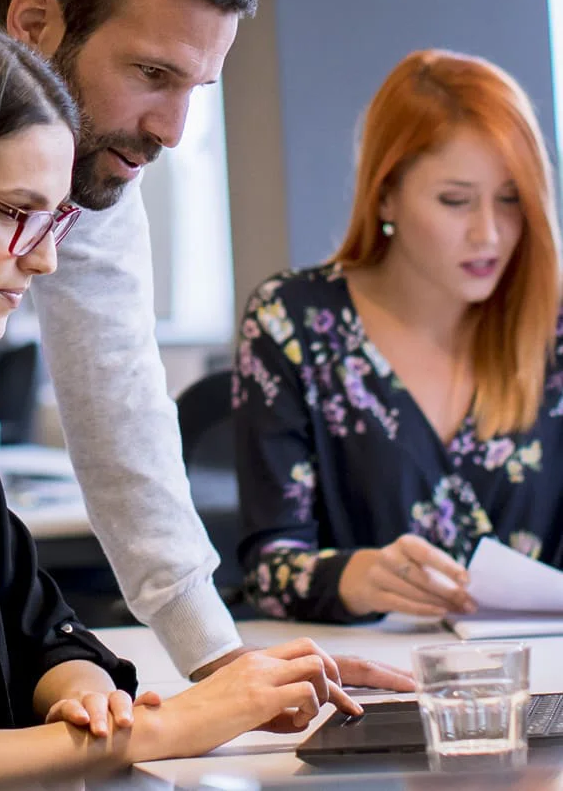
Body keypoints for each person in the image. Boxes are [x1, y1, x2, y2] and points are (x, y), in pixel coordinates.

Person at [0, 0, 414, 692]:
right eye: (153, 73)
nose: (173, 130)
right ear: (34, 20)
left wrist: (225, 665)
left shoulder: (77, 145)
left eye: (197, 88)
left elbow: (120, 400)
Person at [234, 48, 563, 624]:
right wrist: (350, 579)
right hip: (371, 687)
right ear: (385, 194)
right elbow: (268, 568)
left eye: (511, 200)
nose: (489, 233)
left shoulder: (552, 328)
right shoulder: (293, 323)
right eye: (455, 201)